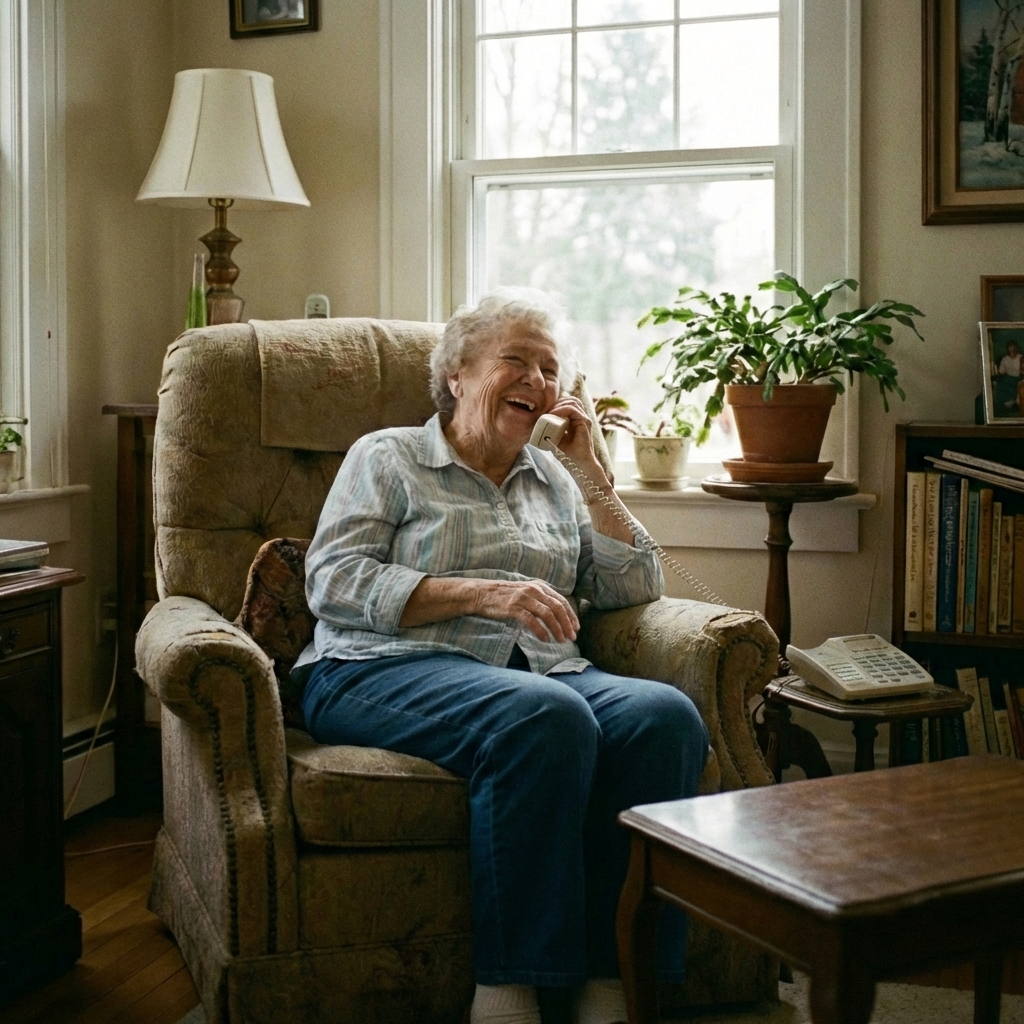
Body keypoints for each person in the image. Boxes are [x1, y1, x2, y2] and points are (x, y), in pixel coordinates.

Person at [294, 288, 709, 1024]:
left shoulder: (553, 478)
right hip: (375, 667)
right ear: (456, 375)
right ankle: (510, 991)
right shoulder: (387, 456)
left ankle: (614, 980)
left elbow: (632, 582)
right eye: (515, 361)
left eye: (551, 370)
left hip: (534, 671)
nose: (538, 382)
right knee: (543, 718)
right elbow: (333, 581)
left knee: (663, 717)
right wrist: (480, 593)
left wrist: (590, 470)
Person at [994, 339, 1023, 415]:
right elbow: (1001, 372)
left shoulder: (1021, 357)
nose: (1012, 350)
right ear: (1008, 349)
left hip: (1020, 377)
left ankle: (1015, 402)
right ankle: (1006, 403)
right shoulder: (1005, 359)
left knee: (1019, 384)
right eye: (1010, 348)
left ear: (1016, 348)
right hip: (1008, 377)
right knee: (1002, 383)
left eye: (1013, 348)